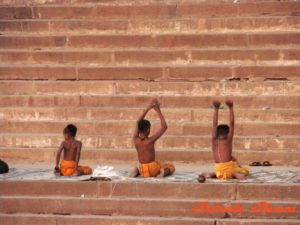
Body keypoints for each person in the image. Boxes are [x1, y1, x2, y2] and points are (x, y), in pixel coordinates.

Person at [198, 100, 249, 182]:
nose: (222, 135)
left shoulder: (223, 140)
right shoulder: (219, 140)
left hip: (223, 169)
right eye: (220, 132)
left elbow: (228, 124)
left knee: (236, 172)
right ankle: (230, 175)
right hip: (223, 169)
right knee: (237, 173)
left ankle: (214, 174)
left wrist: (224, 108)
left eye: (223, 133)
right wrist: (221, 108)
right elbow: (218, 124)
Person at [130, 99, 175, 178]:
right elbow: (164, 127)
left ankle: (136, 171)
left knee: (140, 167)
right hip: (152, 169)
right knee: (170, 167)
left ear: (139, 129)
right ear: (148, 130)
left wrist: (148, 108)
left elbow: (138, 122)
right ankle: (163, 172)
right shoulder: (150, 141)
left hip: (142, 169)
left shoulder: (135, 139)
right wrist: (158, 110)